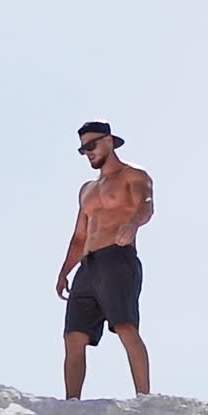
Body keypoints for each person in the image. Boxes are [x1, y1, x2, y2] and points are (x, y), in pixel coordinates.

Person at [56, 121, 154, 399]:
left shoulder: (133, 176)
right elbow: (78, 235)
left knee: (125, 326)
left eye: (92, 145)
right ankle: (71, 403)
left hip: (117, 257)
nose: (88, 152)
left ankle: (144, 398)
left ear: (109, 141)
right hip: (87, 266)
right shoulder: (87, 189)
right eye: (83, 149)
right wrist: (65, 271)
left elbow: (146, 206)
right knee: (73, 336)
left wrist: (133, 224)